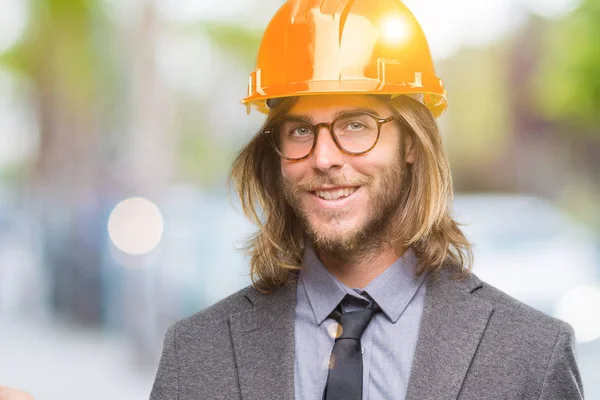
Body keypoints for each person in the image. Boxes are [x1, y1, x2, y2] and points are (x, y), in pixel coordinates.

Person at [150, 0, 584, 399]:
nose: (323, 158)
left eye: (356, 125)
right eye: (300, 130)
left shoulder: (530, 358)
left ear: (412, 144)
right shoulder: (195, 355)